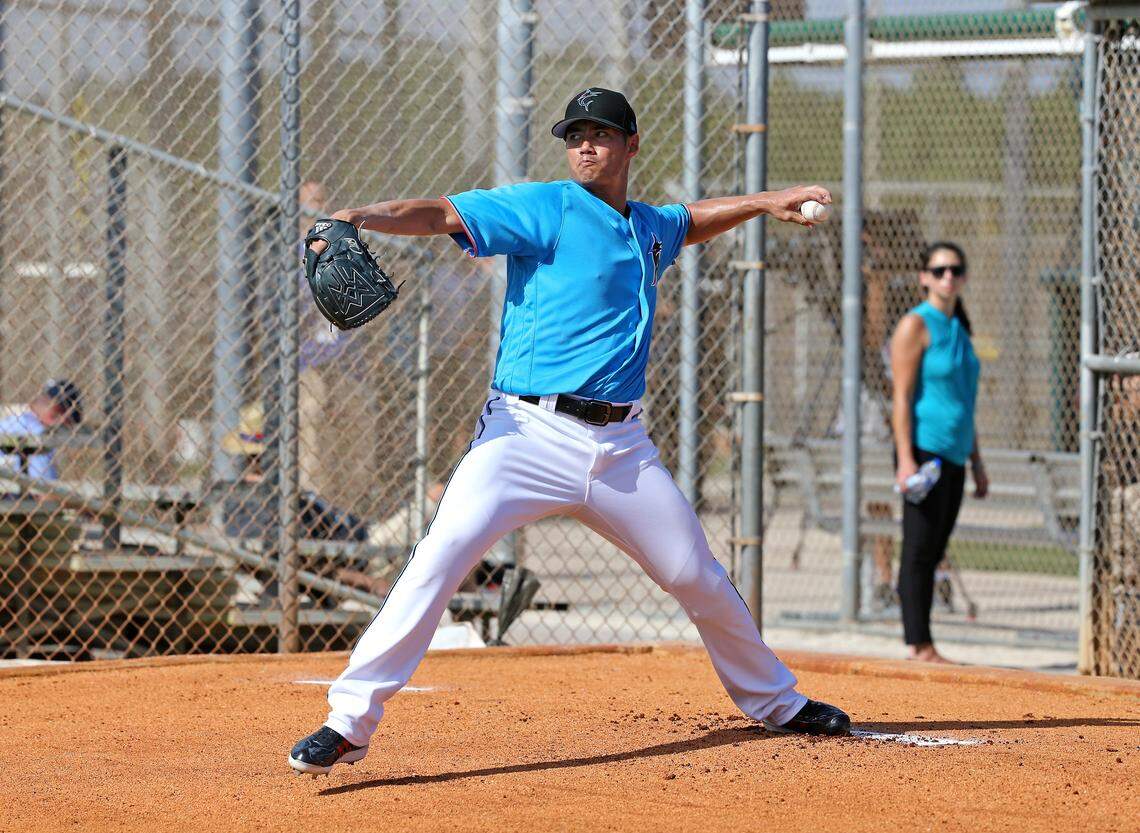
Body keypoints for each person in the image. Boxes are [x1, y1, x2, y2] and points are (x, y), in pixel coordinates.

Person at [288, 87, 850, 776]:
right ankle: (347, 720)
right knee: (444, 552)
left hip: (621, 448)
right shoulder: (545, 205)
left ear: (631, 145)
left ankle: (776, 701)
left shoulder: (644, 226)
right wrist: (356, 215)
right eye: (576, 133)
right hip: (524, 433)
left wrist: (763, 201)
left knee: (694, 572)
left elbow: (686, 221)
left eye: (601, 133)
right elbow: (441, 213)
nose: (586, 143)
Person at [889, 242, 989, 663]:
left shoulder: (960, 331)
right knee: (918, 547)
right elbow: (901, 395)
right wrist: (906, 458)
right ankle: (919, 643)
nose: (949, 276)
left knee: (935, 549)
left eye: (956, 269)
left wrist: (977, 461)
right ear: (925, 277)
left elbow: (966, 402)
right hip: (924, 449)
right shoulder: (917, 324)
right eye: (940, 269)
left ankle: (923, 641)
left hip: (954, 452)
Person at [0, 378, 83, 482]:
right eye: (58, 413)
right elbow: (43, 492)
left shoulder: (20, 419)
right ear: (41, 401)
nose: (62, 419)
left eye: (69, 416)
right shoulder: (36, 431)